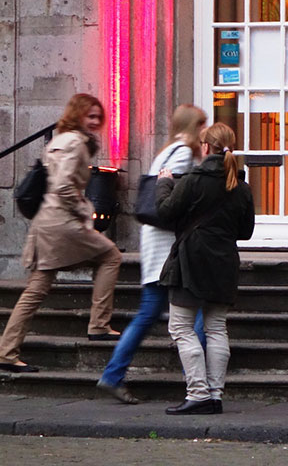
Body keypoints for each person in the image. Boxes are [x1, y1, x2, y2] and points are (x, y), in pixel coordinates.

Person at [0, 93, 122, 373]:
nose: (96, 121)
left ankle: (6, 352)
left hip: (47, 223)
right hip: (63, 223)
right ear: (77, 115)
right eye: (90, 116)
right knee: (111, 256)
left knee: (36, 289)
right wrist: (84, 210)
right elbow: (63, 186)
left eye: (98, 117)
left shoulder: (60, 140)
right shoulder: (75, 142)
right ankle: (99, 324)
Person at [95, 104, 207, 404]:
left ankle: (113, 375)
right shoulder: (183, 153)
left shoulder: (165, 152)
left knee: (149, 313)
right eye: (201, 126)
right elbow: (180, 200)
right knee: (198, 312)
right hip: (169, 245)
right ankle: (199, 381)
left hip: (155, 241)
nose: (203, 133)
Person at [156, 122, 255, 415]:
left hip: (191, 261)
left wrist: (164, 182)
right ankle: (215, 394)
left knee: (181, 327)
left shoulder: (194, 179)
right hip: (224, 262)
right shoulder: (241, 186)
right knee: (216, 327)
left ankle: (198, 393)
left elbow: (165, 211)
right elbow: (246, 231)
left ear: (205, 147)